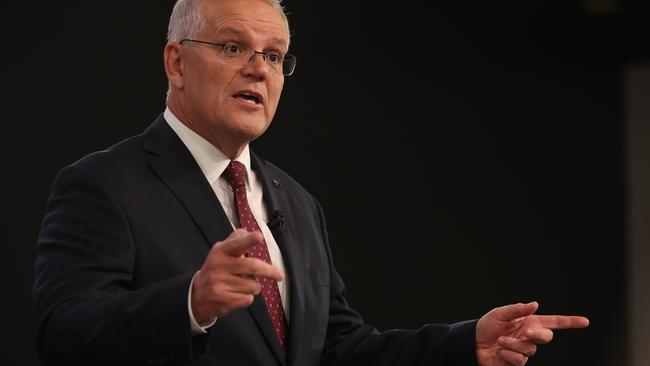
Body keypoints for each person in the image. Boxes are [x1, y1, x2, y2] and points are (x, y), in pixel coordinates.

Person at [32, 0, 589, 365]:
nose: (258, 69)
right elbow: (64, 334)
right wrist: (190, 302)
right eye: (233, 48)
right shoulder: (103, 184)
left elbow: (339, 348)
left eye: (274, 56)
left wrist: (463, 344)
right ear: (176, 63)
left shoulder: (294, 202)